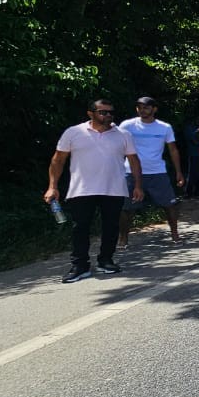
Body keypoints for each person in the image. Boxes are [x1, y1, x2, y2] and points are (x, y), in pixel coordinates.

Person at [45, 100, 144, 283]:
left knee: (111, 227)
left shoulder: (123, 134)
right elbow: (58, 160)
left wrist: (138, 185)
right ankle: (80, 265)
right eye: (102, 112)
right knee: (80, 228)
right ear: (90, 113)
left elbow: (134, 161)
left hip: (114, 188)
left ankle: (106, 260)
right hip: (82, 189)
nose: (107, 116)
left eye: (110, 113)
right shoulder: (74, 132)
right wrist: (53, 186)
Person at [118, 96, 185, 246]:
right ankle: (123, 238)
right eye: (140, 107)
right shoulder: (127, 125)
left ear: (154, 109)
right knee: (126, 208)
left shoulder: (164, 127)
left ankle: (175, 234)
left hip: (157, 172)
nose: (142, 110)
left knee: (169, 205)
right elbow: (116, 145)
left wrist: (178, 172)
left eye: (146, 107)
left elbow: (173, 150)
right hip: (131, 172)